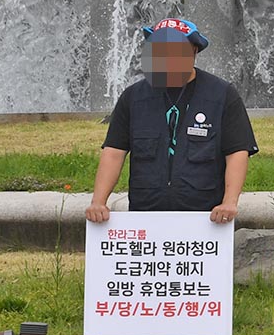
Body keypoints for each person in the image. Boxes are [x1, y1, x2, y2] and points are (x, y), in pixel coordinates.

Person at [85, 18, 258, 224]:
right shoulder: (133, 97)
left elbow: (237, 152)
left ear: (194, 51)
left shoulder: (222, 95)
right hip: (146, 216)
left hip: (205, 219)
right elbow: (114, 152)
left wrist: (229, 202)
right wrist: (99, 201)